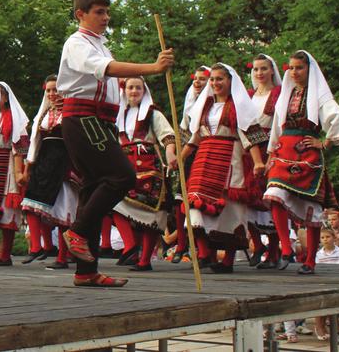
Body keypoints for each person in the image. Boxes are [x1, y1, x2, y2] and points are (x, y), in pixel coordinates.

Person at [57, 0, 173, 287]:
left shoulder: (101, 45)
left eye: (107, 12)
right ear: (80, 14)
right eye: (99, 12)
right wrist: (153, 68)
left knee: (92, 188)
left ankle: (86, 271)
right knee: (122, 176)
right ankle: (78, 232)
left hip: (100, 120)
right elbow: (106, 70)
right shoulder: (78, 43)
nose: (106, 18)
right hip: (84, 117)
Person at [261, 50, 339, 275]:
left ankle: (310, 260)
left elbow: (338, 118)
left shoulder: (318, 94)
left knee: (312, 209)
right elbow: (276, 127)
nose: (294, 72)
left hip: (307, 155)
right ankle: (287, 249)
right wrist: (270, 154)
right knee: (274, 195)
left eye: (299, 67)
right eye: (291, 67)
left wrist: (325, 142)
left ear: (309, 69)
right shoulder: (286, 94)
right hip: (283, 151)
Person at [178, 63, 266, 274]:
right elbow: (195, 137)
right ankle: (203, 252)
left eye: (220, 79)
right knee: (194, 203)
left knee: (231, 208)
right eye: (213, 79)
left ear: (230, 81)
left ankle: (228, 260)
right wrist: (179, 159)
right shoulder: (204, 106)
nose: (216, 83)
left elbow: (250, 135)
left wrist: (258, 162)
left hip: (230, 157)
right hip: (204, 158)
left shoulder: (239, 106)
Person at [110, 77, 176, 271]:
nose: (134, 91)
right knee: (113, 202)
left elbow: (167, 135)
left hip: (148, 167)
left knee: (151, 216)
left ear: (144, 90)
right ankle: (130, 246)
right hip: (123, 166)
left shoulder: (151, 113)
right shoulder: (118, 115)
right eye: (130, 87)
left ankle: (144, 260)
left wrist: (171, 151)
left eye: (138, 87)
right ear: (125, 90)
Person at [22, 75, 77, 269]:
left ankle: (62, 257)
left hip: (64, 162)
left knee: (63, 209)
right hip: (44, 162)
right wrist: (29, 166)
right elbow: (35, 141)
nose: (53, 94)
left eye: (56, 90)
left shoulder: (72, 112)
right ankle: (36, 247)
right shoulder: (43, 113)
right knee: (29, 203)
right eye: (49, 90)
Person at [0, 78, 30, 267]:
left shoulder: (16, 120)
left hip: (8, 171)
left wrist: (20, 172)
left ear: (6, 98)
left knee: (7, 212)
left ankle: (5, 255)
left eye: (1, 94)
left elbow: (20, 149)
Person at [170, 65, 210, 263]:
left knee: (199, 202)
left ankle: (204, 249)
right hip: (189, 156)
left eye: (202, 79)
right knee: (181, 200)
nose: (197, 82)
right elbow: (185, 132)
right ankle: (182, 243)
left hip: (206, 156)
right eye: (196, 78)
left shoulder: (212, 104)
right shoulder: (190, 103)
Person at [247, 54, 283, 268]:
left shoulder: (278, 94)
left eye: (263, 68)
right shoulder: (249, 95)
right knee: (250, 198)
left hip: (271, 148)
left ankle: (274, 249)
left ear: (272, 71)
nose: (259, 73)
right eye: (256, 69)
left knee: (271, 199)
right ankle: (258, 245)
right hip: (250, 152)